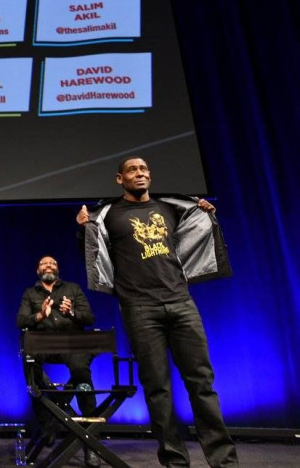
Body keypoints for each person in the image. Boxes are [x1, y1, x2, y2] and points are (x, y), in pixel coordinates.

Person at [76, 157, 238, 467]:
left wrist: (203, 214)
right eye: (133, 170)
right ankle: (175, 461)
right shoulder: (108, 215)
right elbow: (93, 254)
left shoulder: (170, 208)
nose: (140, 173)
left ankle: (224, 460)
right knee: (157, 388)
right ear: (119, 179)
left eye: (145, 169)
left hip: (180, 301)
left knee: (202, 383)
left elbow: (192, 235)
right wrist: (83, 229)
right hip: (140, 308)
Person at [16, 255, 101, 467]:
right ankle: (47, 422)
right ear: (38, 270)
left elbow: (89, 318)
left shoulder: (73, 289)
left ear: (57, 269)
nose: (49, 265)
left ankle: (89, 441)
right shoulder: (30, 293)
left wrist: (71, 313)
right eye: (44, 263)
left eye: (53, 263)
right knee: (29, 362)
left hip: (71, 344)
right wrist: (39, 316)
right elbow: (20, 321)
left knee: (82, 371)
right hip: (42, 344)